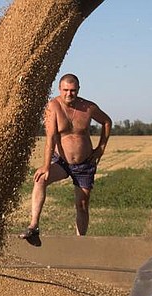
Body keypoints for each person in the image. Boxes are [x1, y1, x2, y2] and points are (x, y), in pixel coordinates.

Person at [19, 73, 111, 238]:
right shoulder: (53, 107)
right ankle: (33, 226)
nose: (69, 94)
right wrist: (46, 165)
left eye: (73, 90)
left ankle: (80, 241)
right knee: (40, 179)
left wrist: (101, 148)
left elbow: (106, 121)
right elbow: (51, 138)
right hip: (61, 162)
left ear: (78, 90)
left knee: (82, 205)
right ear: (60, 89)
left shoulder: (88, 107)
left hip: (84, 163)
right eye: (66, 90)